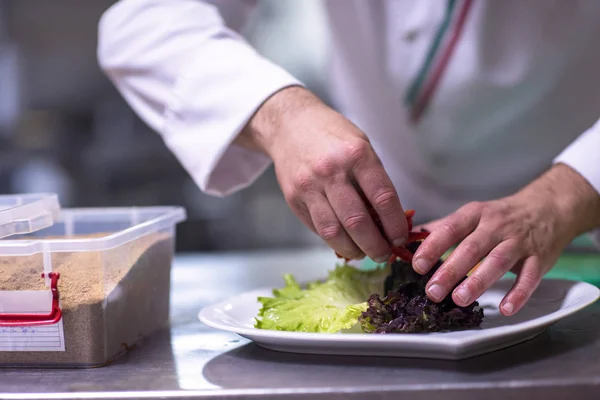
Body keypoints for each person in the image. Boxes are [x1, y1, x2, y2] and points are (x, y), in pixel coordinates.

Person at [97, 0, 600, 316]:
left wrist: (564, 199)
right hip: (383, 227)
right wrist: (281, 115)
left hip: (578, 220)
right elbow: (143, 21)